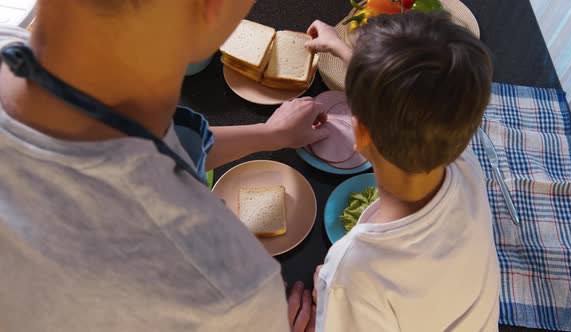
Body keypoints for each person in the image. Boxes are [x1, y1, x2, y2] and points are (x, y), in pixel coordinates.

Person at [0, 1, 327, 331]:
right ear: (211, 9)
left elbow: (141, 145)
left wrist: (269, 135)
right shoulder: (224, 288)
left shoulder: (12, 46)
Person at [305, 12, 500, 331]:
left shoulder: (351, 271)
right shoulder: (465, 161)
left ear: (360, 134)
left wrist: (327, 299)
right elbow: (421, 99)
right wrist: (343, 50)